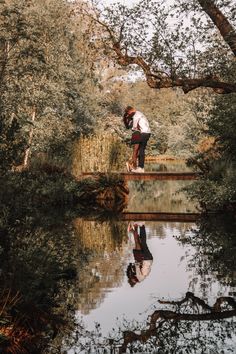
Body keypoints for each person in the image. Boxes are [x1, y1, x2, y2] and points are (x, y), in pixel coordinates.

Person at [123, 106, 151, 173]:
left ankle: (138, 167)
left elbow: (134, 127)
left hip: (144, 133)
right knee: (140, 149)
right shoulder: (138, 113)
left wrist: (130, 123)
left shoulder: (136, 116)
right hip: (147, 132)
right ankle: (139, 167)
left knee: (138, 149)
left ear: (130, 111)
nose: (129, 114)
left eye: (128, 113)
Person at [126, 223, 153, 287]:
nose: (131, 278)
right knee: (138, 243)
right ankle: (134, 230)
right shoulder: (139, 278)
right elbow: (138, 267)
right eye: (131, 279)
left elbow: (142, 268)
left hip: (148, 259)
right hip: (145, 259)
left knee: (142, 242)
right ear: (133, 281)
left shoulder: (140, 278)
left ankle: (140, 226)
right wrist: (136, 261)